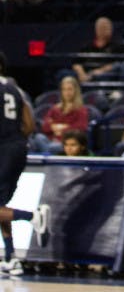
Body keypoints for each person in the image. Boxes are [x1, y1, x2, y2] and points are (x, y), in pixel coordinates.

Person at [0, 52, 49, 277]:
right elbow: (29, 124)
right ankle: (11, 257)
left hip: (3, 150)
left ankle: (33, 217)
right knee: (1, 207)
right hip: (18, 148)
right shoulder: (15, 89)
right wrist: (15, 141)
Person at [40, 74, 89, 152]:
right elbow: (45, 126)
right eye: (64, 89)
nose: (67, 92)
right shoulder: (55, 108)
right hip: (51, 139)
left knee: (51, 148)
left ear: (75, 91)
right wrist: (55, 127)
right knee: (38, 138)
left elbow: (81, 128)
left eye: (70, 89)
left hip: (67, 144)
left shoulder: (81, 110)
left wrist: (61, 129)